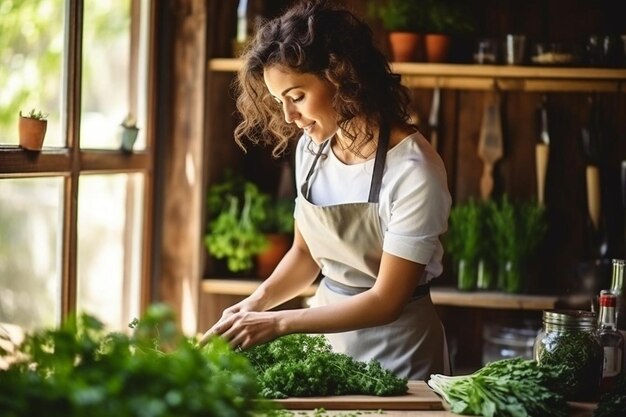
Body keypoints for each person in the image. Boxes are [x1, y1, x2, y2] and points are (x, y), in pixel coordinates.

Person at [200, 0, 452, 380]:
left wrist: (279, 324)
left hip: (401, 357)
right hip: (328, 349)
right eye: (278, 101)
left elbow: (387, 301)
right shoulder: (313, 148)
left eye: (297, 97)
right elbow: (305, 254)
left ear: (342, 77)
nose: (288, 116)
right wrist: (255, 304)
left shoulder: (414, 171)